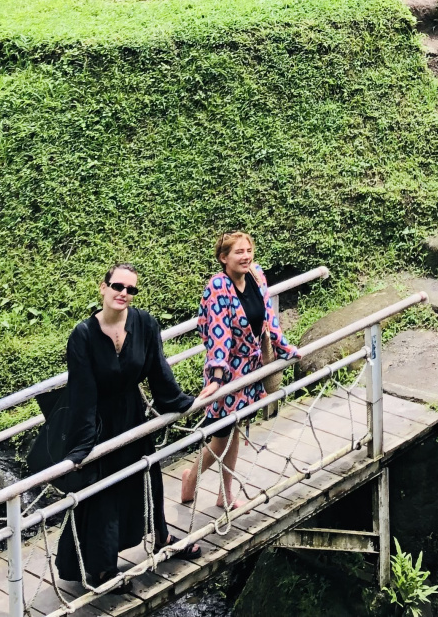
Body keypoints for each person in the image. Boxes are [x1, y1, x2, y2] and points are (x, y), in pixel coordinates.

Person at [29, 263, 201, 588]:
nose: (123, 294)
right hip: (99, 424)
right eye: (118, 286)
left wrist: (180, 401)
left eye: (130, 289)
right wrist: (83, 447)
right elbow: (82, 392)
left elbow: (158, 370)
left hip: (133, 416)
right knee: (104, 493)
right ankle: (103, 567)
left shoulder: (144, 323)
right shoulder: (82, 335)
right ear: (103, 287)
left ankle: (162, 536)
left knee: (148, 477)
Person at [180, 231, 294, 511]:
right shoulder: (219, 286)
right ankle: (190, 479)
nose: (245, 257)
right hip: (228, 372)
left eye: (248, 250)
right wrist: (218, 376)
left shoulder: (256, 276)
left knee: (237, 430)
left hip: (251, 368)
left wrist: (285, 348)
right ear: (223, 258)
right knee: (221, 436)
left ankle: (225, 493)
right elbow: (219, 332)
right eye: (238, 253)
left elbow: (268, 317)